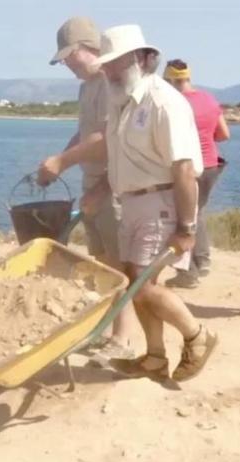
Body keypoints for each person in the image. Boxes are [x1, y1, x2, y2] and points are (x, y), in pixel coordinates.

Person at [40, 25, 219, 383]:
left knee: (143, 283)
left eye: (113, 63)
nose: (106, 70)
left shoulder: (163, 102)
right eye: (105, 64)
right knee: (134, 280)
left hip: (159, 203)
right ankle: (154, 356)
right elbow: (123, 160)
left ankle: (197, 336)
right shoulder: (122, 101)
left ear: (139, 59)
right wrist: (101, 191)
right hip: (133, 202)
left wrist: (187, 228)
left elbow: (184, 169)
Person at [36, 17, 135, 359]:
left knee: (120, 264)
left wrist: (63, 163)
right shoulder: (85, 87)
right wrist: (61, 157)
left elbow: (108, 140)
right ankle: (105, 330)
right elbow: (84, 134)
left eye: (68, 56)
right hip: (93, 180)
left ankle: (123, 339)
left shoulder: (110, 82)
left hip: (114, 182)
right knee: (102, 261)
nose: (65, 64)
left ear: (86, 48)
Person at [162, 59, 230, 288]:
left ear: (171, 80)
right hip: (212, 165)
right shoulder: (209, 99)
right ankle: (203, 261)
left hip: (187, 167)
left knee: (182, 216)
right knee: (197, 212)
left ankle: (188, 272)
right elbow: (224, 133)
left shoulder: (173, 103)